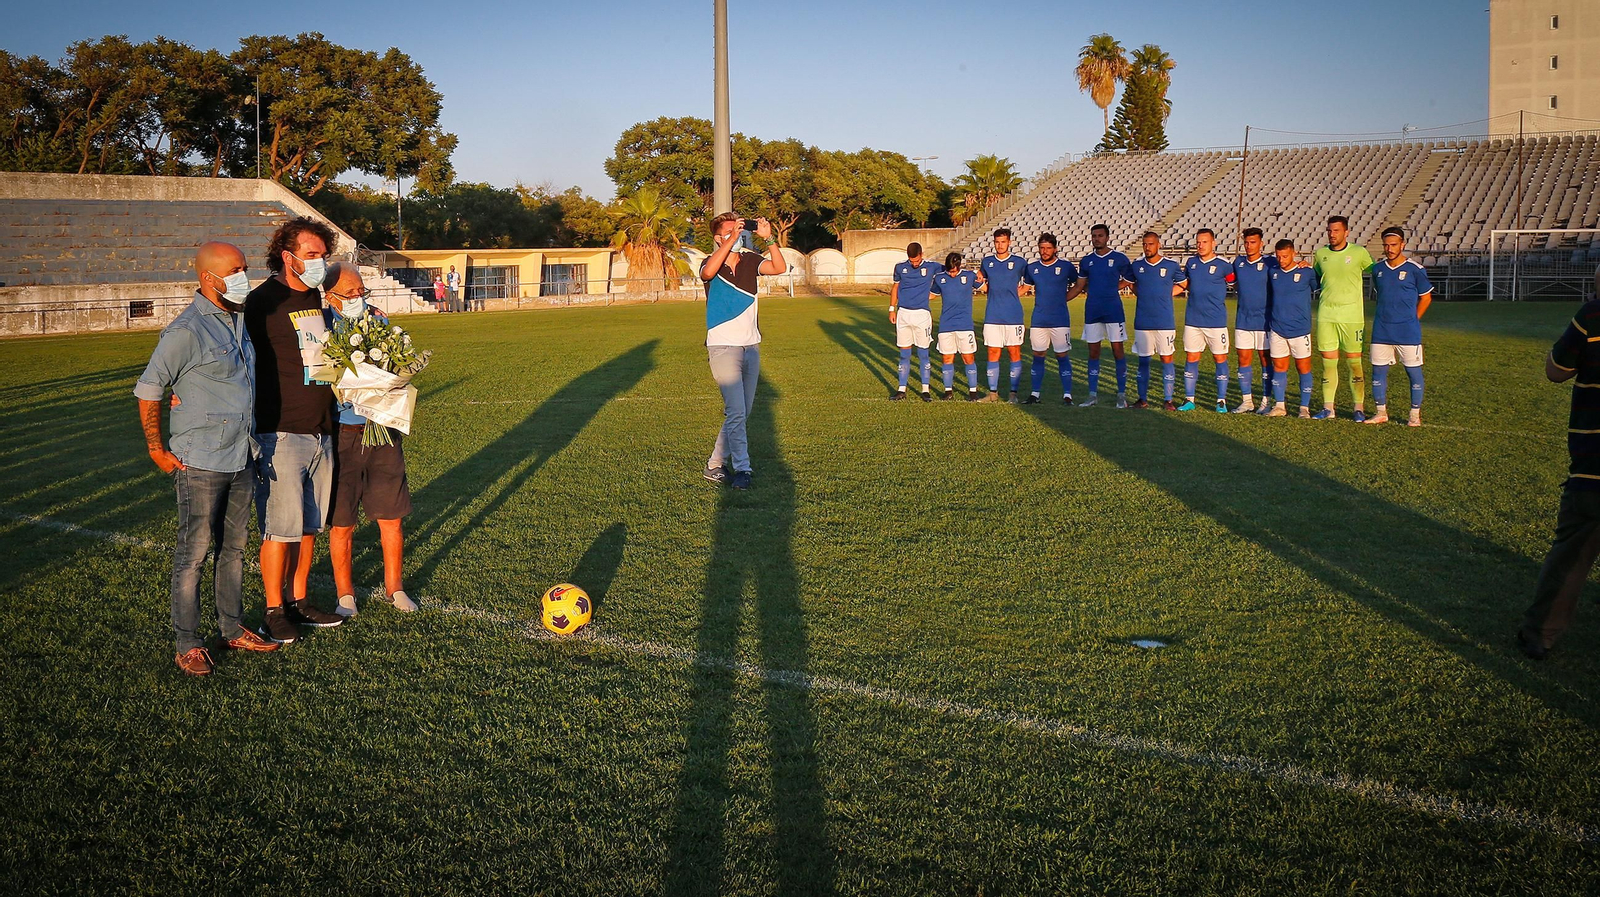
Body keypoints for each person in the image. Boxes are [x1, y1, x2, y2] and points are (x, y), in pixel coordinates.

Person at [134, 241, 280, 675]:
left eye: (245, 268)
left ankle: (232, 628)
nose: (244, 276)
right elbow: (149, 389)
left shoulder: (237, 319)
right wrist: (156, 448)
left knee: (233, 549)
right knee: (193, 554)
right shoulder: (186, 331)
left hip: (241, 454)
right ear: (208, 278)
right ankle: (188, 642)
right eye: (235, 270)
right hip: (200, 461)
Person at [245, 216, 346, 643]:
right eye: (312, 255)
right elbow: (232, 354)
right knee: (279, 526)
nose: (320, 262)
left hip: (323, 429)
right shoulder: (261, 302)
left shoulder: (322, 302)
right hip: (280, 431)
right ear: (288, 257)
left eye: (324, 255)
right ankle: (273, 609)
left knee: (308, 525)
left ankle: (299, 600)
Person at [321, 263, 418, 615]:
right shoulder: (319, 327)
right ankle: (345, 594)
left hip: (383, 431)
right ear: (329, 296)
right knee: (342, 519)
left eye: (361, 291)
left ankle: (396, 588)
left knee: (391, 516)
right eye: (350, 293)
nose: (357, 298)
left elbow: (395, 365)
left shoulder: (377, 321)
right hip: (343, 434)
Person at [1521, 264, 1600, 659]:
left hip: (1593, 464)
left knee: (1571, 555)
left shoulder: (1592, 316)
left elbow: (1556, 371)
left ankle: (1541, 634)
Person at [700, 212, 787, 490]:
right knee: (736, 411)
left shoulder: (750, 260)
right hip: (723, 346)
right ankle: (743, 469)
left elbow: (779, 267)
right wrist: (732, 240)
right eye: (729, 231)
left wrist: (769, 238)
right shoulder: (710, 262)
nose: (737, 234)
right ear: (718, 238)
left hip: (751, 346)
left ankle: (714, 464)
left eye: (739, 230)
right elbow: (707, 273)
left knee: (741, 412)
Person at [1364, 227, 1432, 427]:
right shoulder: (1378, 270)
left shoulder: (1415, 270)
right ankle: (1380, 412)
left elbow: (1426, 297)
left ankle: (1414, 414)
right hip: (1382, 330)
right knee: (1378, 372)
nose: (1389, 248)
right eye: (1386, 245)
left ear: (1402, 245)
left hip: (1407, 331)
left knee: (1413, 372)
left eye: (1394, 245)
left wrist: (1414, 318)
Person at [1312, 215, 1375, 420]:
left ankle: (1358, 408)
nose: (1332, 234)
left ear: (1346, 232)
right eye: (1330, 230)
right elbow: (1315, 276)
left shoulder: (1359, 253)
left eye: (1337, 230)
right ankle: (1328, 408)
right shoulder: (1320, 254)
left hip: (1352, 317)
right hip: (1327, 316)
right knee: (1328, 363)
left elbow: (1377, 272)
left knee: (1354, 363)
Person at [1067, 223, 1132, 407]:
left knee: (1117, 351)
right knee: (1093, 352)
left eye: (1100, 236)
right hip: (1093, 311)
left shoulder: (1119, 258)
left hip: (1113, 310)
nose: (1097, 239)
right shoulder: (1087, 261)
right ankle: (1092, 395)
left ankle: (1121, 395)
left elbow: (1128, 278)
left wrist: (1112, 288)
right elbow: (1080, 285)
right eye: (1094, 236)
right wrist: (1061, 300)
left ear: (1107, 237)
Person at [1120, 231, 1186, 410]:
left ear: (1159, 245)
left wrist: (1168, 294)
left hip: (1165, 321)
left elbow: (1184, 283)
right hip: (1143, 321)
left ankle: (1168, 400)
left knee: (1167, 359)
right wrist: (1138, 293)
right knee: (1143, 361)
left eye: (1150, 244)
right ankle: (1142, 399)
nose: (1147, 247)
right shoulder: (1137, 265)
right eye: (1145, 244)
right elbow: (1130, 283)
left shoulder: (1171, 265)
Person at [1265, 239, 1319, 418]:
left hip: (1300, 329)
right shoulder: (1273, 272)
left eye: (1285, 256)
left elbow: (1319, 288)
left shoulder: (1306, 272)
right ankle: (1280, 406)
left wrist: (1311, 266)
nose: (1281, 260)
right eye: (1278, 256)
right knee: (1279, 367)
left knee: (1303, 367)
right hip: (1277, 327)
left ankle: (1304, 408)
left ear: (1294, 254)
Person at [1179, 228, 1232, 413]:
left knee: (1220, 358)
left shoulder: (1224, 265)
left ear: (1213, 243)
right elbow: (1186, 284)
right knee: (1191, 357)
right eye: (1198, 242)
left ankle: (1221, 401)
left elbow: (1234, 283)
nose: (1200, 245)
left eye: (1205, 242)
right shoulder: (1191, 262)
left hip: (1216, 321)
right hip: (1193, 320)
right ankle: (1189, 399)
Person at [1025, 233, 1079, 405]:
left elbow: (1079, 284)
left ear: (1055, 249)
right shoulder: (1032, 268)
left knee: (1062, 355)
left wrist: (1064, 299)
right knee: (1038, 355)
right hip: (1039, 320)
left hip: (1060, 319)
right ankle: (1035, 394)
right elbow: (1025, 287)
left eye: (1048, 248)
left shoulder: (1066, 266)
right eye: (1042, 248)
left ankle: (1067, 395)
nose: (1045, 251)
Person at [976, 228, 1029, 402]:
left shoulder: (1020, 262)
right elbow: (979, 279)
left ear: (1009, 242)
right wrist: (985, 289)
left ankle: (1013, 393)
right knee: (992, 352)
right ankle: (993, 393)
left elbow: (1028, 283)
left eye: (1003, 242)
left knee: (1014, 352)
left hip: (1013, 316)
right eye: (997, 242)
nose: (1000, 245)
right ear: (994, 243)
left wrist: (1016, 294)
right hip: (992, 315)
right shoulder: (987, 262)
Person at [888, 242, 940, 401]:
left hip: (922, 315)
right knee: (904, 355)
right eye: (912, 261)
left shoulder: (933, 267)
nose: (914, 264)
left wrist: (935, 293)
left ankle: (925, 390)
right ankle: (901, 389)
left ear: (922, 254)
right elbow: (896, 287)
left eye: (917, 261)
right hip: (903, 314)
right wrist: (892, 308)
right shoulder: (899, 267)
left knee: (923, 354)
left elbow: (951, 271)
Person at [1231, 228, 1275, 414]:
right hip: (1243, 320)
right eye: (1246, 243)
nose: (1249, 246)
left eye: (1253, 242)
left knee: (1265, 360)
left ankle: (1266, 400)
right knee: (1243, 359)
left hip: (1264, 320)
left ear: (1261, 243)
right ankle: (1247, 401)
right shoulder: (1238, 262)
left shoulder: (1270, 262)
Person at [931, 252, 980, 400]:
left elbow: (986, 288)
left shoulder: (970, 276)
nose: (951, 274)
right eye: (949, 271)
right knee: (947, 358)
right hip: (946, 325)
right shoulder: (939, 278)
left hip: (965, 325)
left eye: (954, 271)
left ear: (959, 266)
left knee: (968, 358)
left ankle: (973, 391)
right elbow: (931, 295)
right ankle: (948, 391)